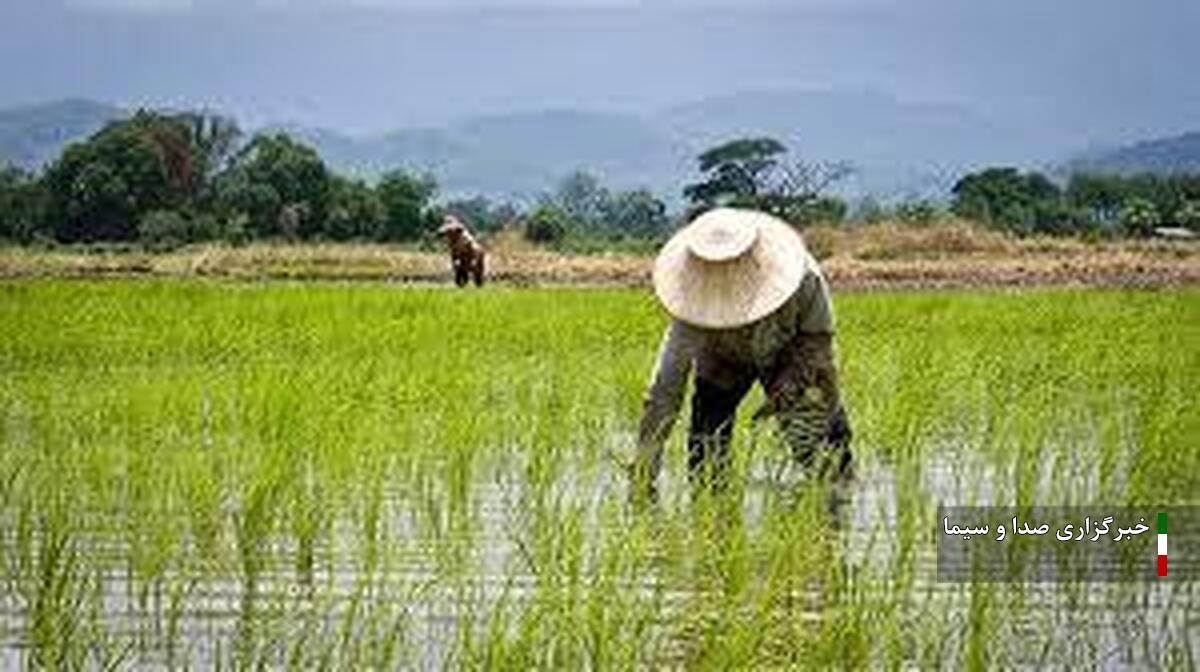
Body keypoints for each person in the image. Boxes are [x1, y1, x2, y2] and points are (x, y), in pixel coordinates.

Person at [633, 208, 852, 496]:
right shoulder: (690, 296)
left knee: (822, 449)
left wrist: (788, 385)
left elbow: (818, 343)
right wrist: (643, 474)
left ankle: (837, 509)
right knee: (706, 454)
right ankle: (713, 519)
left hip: (791, 354)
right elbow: (665, 389)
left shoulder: (803, 277)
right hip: (722, 359)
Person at [436, 215, 486, 287]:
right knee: (459, 274)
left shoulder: (464, 237)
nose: (448, 234)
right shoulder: (451, 240)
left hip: (473, 255)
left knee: (477, 275)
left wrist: (474, 261)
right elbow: (453, 254)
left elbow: (474, 249)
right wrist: (455, 263)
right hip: (462, 258)